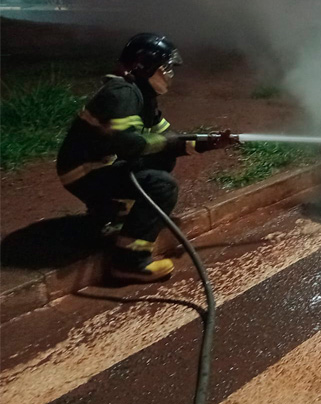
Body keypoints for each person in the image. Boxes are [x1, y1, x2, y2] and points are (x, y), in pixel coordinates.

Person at [57, 33, 233, 282]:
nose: (170, 73)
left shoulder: (143, 96)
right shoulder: (121, 94)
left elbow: (169, 140)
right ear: (145, 65)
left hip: (99, 165)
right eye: (167, 67)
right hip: (83, 172)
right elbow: (128, 143)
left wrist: (208, 143)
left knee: (163, 160)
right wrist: (167, 143)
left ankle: (110, 210)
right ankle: (129, 261)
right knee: (162, 186)